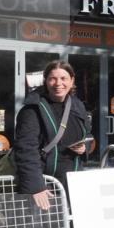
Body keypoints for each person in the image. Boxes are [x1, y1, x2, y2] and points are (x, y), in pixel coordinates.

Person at [14, 60, 90, 211]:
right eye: (52, 78)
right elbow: (26, 150)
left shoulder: (77, 106)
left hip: (72, 184)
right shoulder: (32, 110)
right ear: (45, 81)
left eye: (63, 78)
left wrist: (84, 147)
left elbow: (86, 133)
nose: (58, 83)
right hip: (46, 187)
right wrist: (36, 187)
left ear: (72, 80)